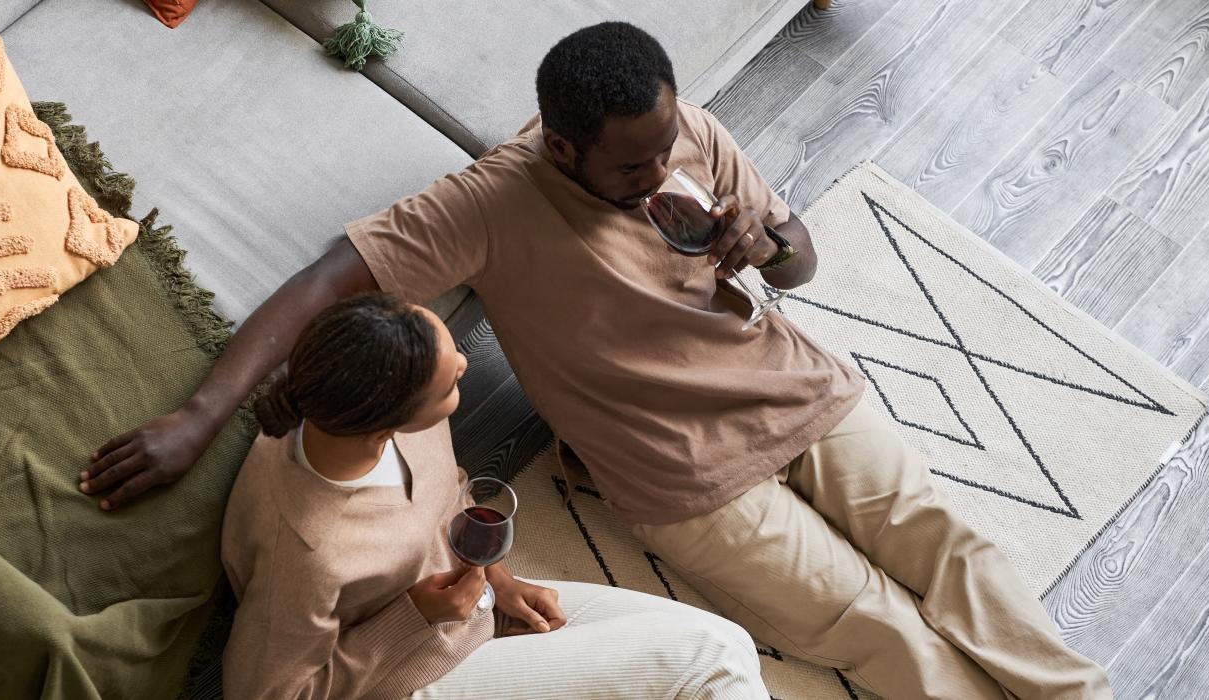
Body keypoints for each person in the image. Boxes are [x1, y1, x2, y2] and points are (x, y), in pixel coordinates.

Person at [90, 21, 1111, 700]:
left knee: (952, 548)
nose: (663, 170)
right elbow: (325, 282)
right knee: (871, 622)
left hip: (795, 386)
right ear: (565, 150)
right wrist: (201, 415)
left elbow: (801, 261)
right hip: (684, 475)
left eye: (669, 145)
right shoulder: (489, 204)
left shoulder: (689, 137)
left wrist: (769, 246)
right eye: (634, 164)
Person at [219, 292, 766, 699]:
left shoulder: (382, 409)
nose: (465, 365)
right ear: (387, 424)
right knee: (709, 662)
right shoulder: (306, 550)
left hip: (474, 614)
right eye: (452, 382)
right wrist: (414, 616)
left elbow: (448, 494)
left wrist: (501, 581)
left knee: (729, 643)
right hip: (413, 678)